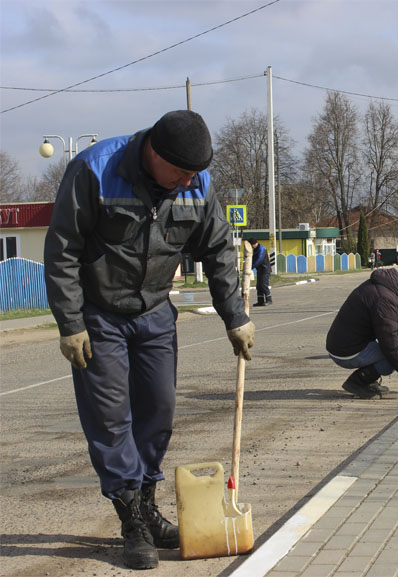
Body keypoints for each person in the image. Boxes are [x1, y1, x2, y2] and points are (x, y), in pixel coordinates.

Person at [43, 110, 255, 571]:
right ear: (153, 153)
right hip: (99, 314)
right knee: (110, 417)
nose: (188, 181)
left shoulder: (196, 183)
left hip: (155, 311)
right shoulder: (95, 170)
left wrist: (234, 317)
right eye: (180, 171)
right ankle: (132, 520)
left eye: (195, 172)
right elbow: (62, 250)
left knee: (159, 409)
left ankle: (148, 500)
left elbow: (218, 248)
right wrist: (70, 323)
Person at [326, 264, 398, 399]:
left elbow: (386, 319)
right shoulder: (385, 299)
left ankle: (368, 379)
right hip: (347, 351)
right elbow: (389, 344)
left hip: (343, 344)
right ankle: (358, 382)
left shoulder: (384, 288)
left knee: (397, 352)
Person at [247, 238, 272, 306]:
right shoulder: (255, 249)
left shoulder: (262, 249)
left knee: (264, 285)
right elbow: (253, 258)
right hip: (260, 270)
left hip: (265, 270)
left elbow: (259, 260)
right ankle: (260, 301)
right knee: (259, 286)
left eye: (251, 245)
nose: (251, 247)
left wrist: (252, 266)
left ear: (254, 244)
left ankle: (268, 299)